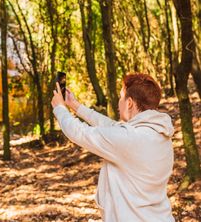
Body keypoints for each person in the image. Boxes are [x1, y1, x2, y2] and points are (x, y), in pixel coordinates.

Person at [51, 73, 175, 222]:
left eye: (121, 97)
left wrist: (59, 108)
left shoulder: (130, 139)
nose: (119, 102)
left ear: (129, 103)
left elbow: (80, 133)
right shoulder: (158, 133)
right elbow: (112, 127)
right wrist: (76, 106)